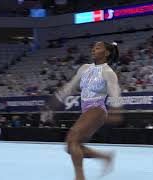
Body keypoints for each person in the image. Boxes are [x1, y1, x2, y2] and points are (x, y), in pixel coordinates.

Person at [47, 41, 122, 180]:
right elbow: (71, 85)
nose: (93, 49)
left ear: (106, 53)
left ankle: (80, 178)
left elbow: (115, 92)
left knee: (72, 139)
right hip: (86, 109)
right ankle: (105, 157)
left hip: (97, 109)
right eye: (93, 47)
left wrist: (116, 110)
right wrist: (58, 97)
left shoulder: (108, 72)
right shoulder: (84, 68)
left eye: (98, 47)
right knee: (71, 147)